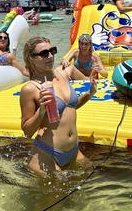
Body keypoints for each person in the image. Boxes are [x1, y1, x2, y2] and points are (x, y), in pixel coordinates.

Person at [20, 36, 96, 176]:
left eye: (52, 51)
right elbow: (27, 131)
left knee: (92, 176)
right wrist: (41, 111)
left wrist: (89, 94)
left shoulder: (62, 75)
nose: (50, 56)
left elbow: (70, 107)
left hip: (73, 150)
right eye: (44, 53)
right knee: (57, 196)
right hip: (47, 153)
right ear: (31, 58)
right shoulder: (30, 89)